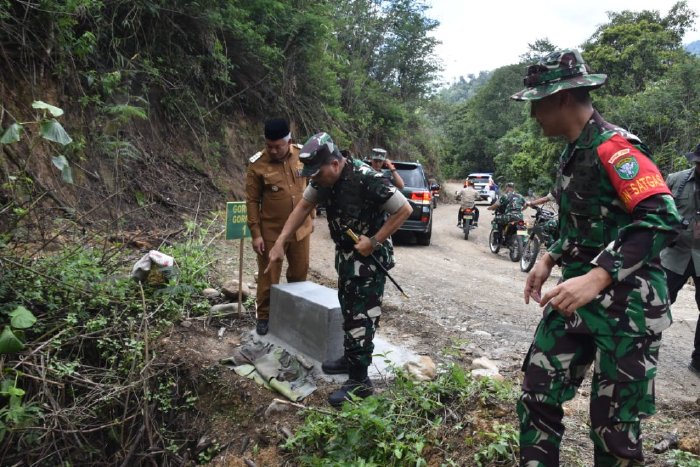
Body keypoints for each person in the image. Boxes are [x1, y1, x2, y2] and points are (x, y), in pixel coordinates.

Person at [512, 49, 680, 466]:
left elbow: (661, 217)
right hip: (576, 299)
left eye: (538, 101)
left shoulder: (616, 150)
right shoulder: (573, 152)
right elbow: (583, 225)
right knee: (536, 393)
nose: (534, 113)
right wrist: (549, 257)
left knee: (614, 429)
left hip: (628, 309)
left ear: (563, 97)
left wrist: (599, 276)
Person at [266, 132, 412, 407]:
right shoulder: (323, 179)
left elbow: (404, 209)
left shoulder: (368, 178)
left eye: (317, 172)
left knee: (362, 316)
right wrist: (280, 242)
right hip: (346, 256)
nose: (313, 179)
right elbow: (303, 206)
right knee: (348, 307)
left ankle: (360, 381)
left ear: (334, 164)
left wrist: (374, 240)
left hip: (369, 259)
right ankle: (350, 359)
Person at [245, 118, 313, 336]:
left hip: (300, 231)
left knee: (299, 274)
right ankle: (264, 316)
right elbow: (252, 201)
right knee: (269, 277)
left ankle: (292, 314)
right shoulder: (258, 165)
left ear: (289, 141)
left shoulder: (304, 156)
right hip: (271, 232)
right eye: (268, 146)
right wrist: (256, 235)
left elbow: (312, 186)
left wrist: (311, 216)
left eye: (278, 146)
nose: (273, 150)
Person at [660, 143, 700, 376]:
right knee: (658, 303)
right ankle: (645, 348)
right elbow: (658, 210)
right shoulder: (677, 179)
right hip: (674, 255)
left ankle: (698, 360)